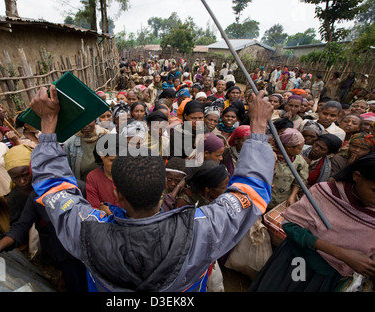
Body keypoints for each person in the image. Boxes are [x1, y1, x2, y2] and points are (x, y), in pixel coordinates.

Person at [28, 85, 275, 292]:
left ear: (117, 195)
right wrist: (258, 128)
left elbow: (53, 187)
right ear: (162, 191)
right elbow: (249, 193)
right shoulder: (201, 228)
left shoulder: (86, 230)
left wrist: (48, 126)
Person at [250, 153, 375, 292]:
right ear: (357, 176)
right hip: (296, 260)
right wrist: (341, 253)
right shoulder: (326, 193)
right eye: (374, 190)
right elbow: (290, 225)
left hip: (326, 278)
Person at [269, 128, 309, 209]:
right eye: (299, 148)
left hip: (281, 201)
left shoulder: (299, 162)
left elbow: (299, 181)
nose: (300, 151)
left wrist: (292, 196)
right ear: (288, 148)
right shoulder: (269, 155)